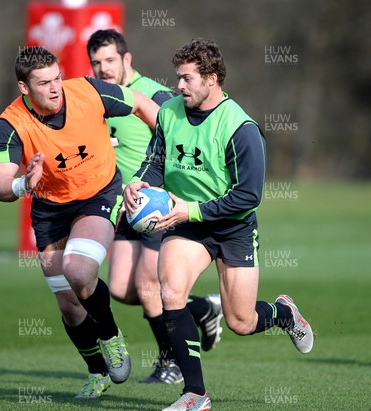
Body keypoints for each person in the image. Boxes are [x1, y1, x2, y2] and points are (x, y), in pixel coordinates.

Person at [124, 38, 314, 411]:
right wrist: (140, 180)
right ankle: (195, 394)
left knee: (241, 321)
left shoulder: (240, 127)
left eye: (187, 79)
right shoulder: (168, 113)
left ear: (212, 79)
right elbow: (156, 159)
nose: (178, 86)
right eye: (178, 77)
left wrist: (191, 210)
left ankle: (284, 313)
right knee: (171, 293)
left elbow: (248, 196)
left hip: (232, 226)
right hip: (185, 222)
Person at [0, 46, 160, 399]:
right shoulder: (11, 122)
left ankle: (111, 336)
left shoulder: (89, 91)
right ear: (24, 88)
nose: (55, 88)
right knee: (67, 302)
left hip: (100, 194)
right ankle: (97, 372)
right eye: (44, 83)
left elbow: (142, 105)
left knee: (78, 271)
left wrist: (171, 148)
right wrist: (22, 184)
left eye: (57, 78)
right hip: (50, 209)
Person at [87, 29, 225, 385]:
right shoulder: (102, 99)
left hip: (160, 203)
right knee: (120, 288)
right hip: (128, 205)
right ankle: (204, 308)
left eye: (110, 61)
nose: (103, 69)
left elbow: (176, 144)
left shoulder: (155, 96)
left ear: (126, 59)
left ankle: (172, 363)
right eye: (96, 63)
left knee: (151, 287)